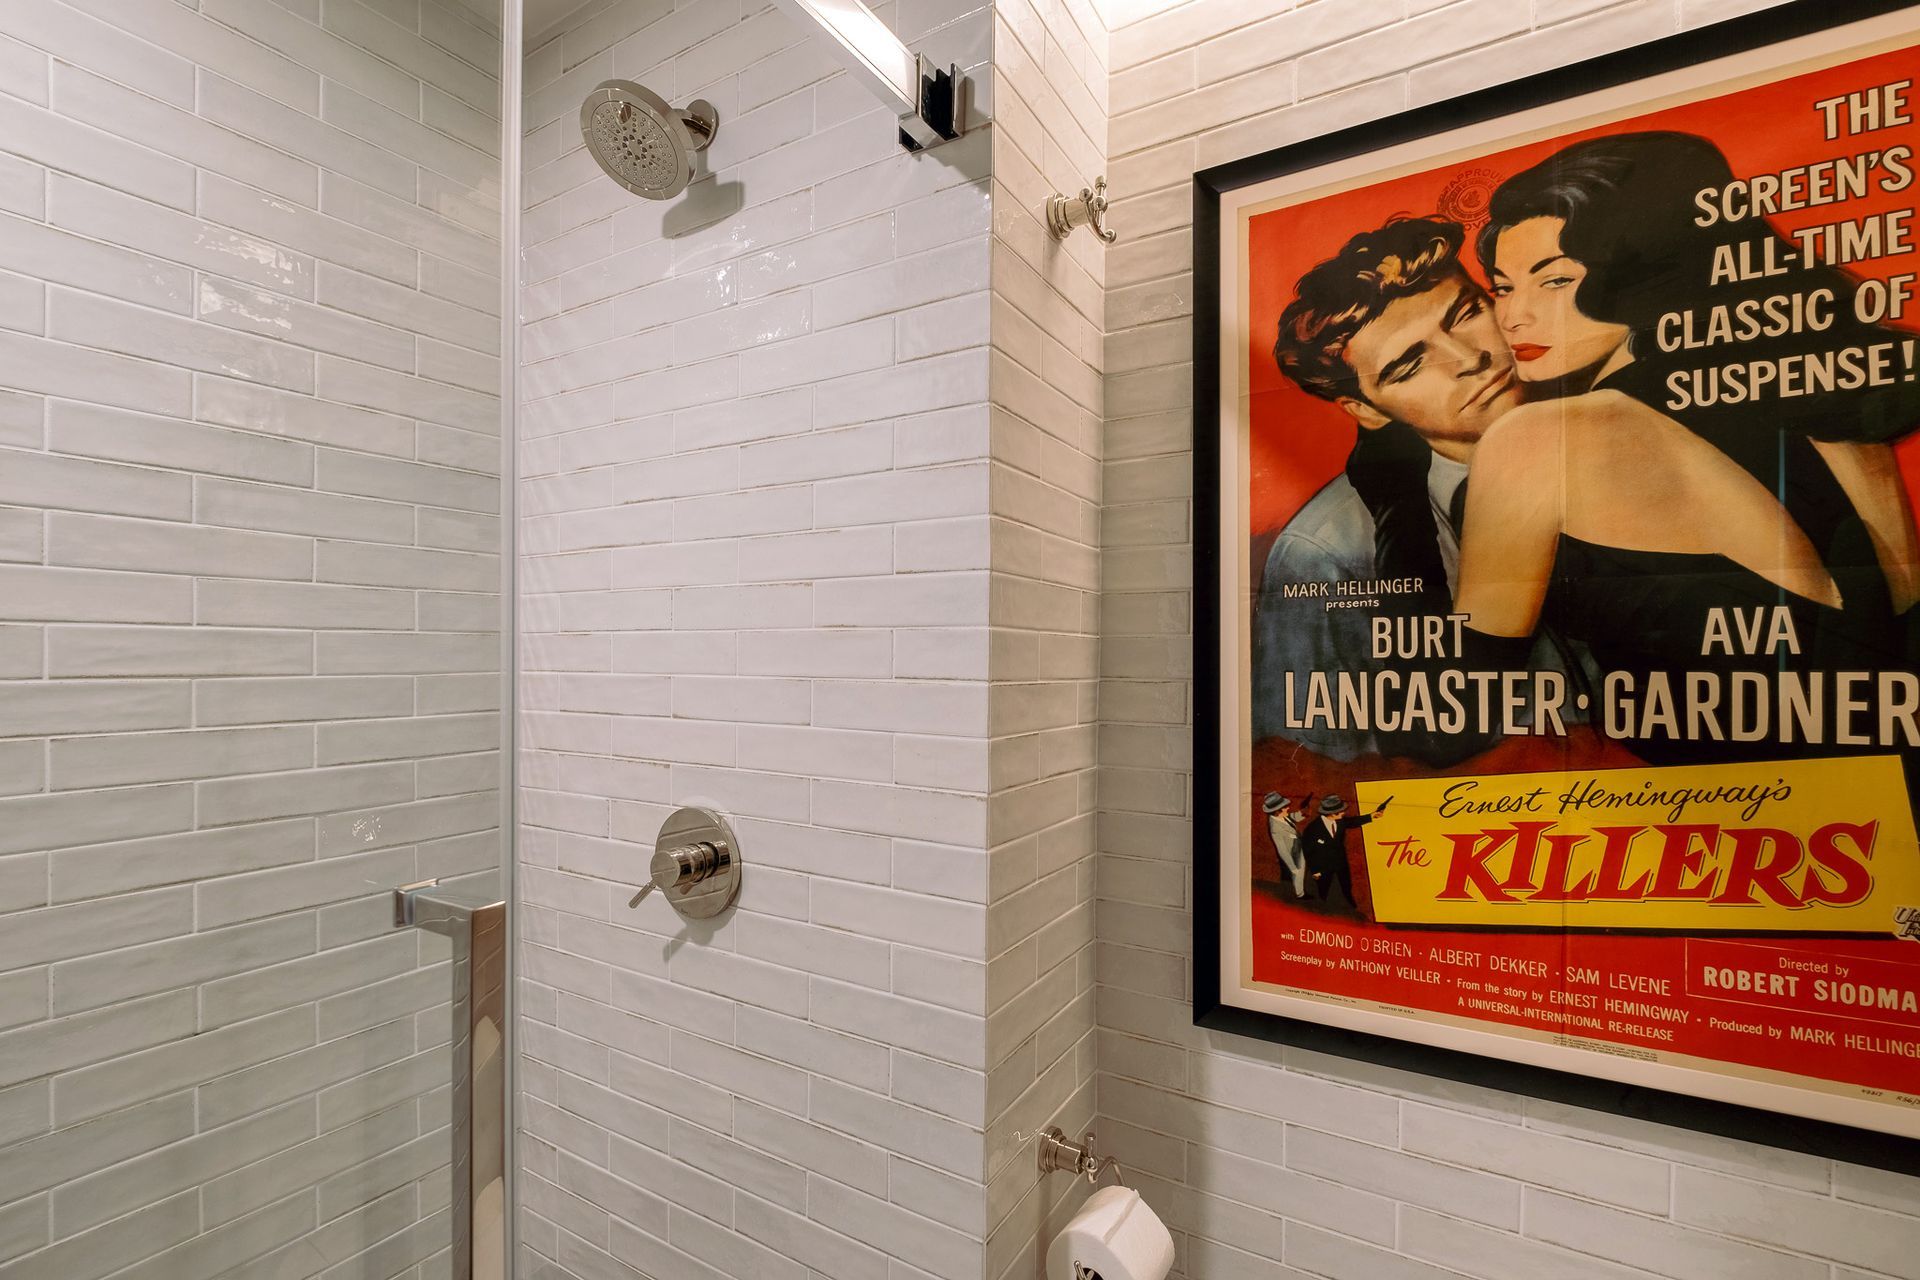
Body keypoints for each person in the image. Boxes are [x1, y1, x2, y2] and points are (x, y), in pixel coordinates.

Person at [1362, 132, 1920, 767]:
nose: (1514, 317)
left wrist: (1391, 487)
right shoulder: (1827, 399)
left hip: (1721, 834)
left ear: (1648, 271)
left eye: (1556, 281)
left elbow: (1448, 720)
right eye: (1504, 287)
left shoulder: (1537, 441)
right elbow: (1906, 628)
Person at [1253, 215, 1591, 764]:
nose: (1469, 359)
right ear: (1364, 408)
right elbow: (1311, 775)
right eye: (1410, 364)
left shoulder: (1612, 437)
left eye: (1467, 314)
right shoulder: (1325, 553)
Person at [1296, 794, 1388, 913]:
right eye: (1340, 812)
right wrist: (1315, 870)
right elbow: (1308, 851)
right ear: (1331, 814)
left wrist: (1371, 816)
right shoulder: (1313, 829)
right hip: (1323, 865)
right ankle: (1322, 906)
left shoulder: (1340, 821)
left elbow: (1353, 821)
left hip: (1340, 860)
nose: (1343, 813)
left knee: (1346, 884)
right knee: (1324, 886)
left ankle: (1349, 902)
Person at [1262, 792, 1312, 897]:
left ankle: (1300, 892)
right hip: (1293, 853)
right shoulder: (1275, 828)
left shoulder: (1283, 817)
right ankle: (1300, 894)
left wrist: (1303, 811)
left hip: (1299, 847)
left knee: (1301, 872)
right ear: (1277, 811)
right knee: (1299, 872)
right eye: (1285, 807)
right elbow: (1282, 850)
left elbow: (1294, 817)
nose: (1288, 808)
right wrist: (1292, 867)